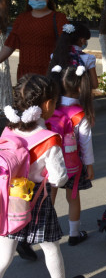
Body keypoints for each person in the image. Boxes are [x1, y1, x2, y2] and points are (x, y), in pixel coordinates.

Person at [0, 74, 68, 278]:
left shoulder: (8, 131)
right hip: (38, 199)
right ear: (47, 104)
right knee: (50, 247)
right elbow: (58, 178)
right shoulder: (49, 139)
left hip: (10, 198)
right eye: (55, 102)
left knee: (5, 252)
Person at [48, 65, 95, 247]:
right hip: (72, 165)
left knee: (49, 197)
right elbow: (85, 143)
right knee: (73, 198)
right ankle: (74, 234)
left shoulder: (51, 107)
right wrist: (89, 165)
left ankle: (46, 230)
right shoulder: (80, 114)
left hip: (50, 163)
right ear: (80, 88)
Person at [0, 0, 69, 78]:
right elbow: (9, 45)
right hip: (25, 73)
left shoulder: (59, 18)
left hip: (50, 72)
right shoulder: (21, 18)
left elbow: (67, 44)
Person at [49, 23, 98, 89]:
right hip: (78, 97)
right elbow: (94, 84)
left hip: (59, 95)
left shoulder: (55, 55)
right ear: (82, 40)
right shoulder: (89, 58)